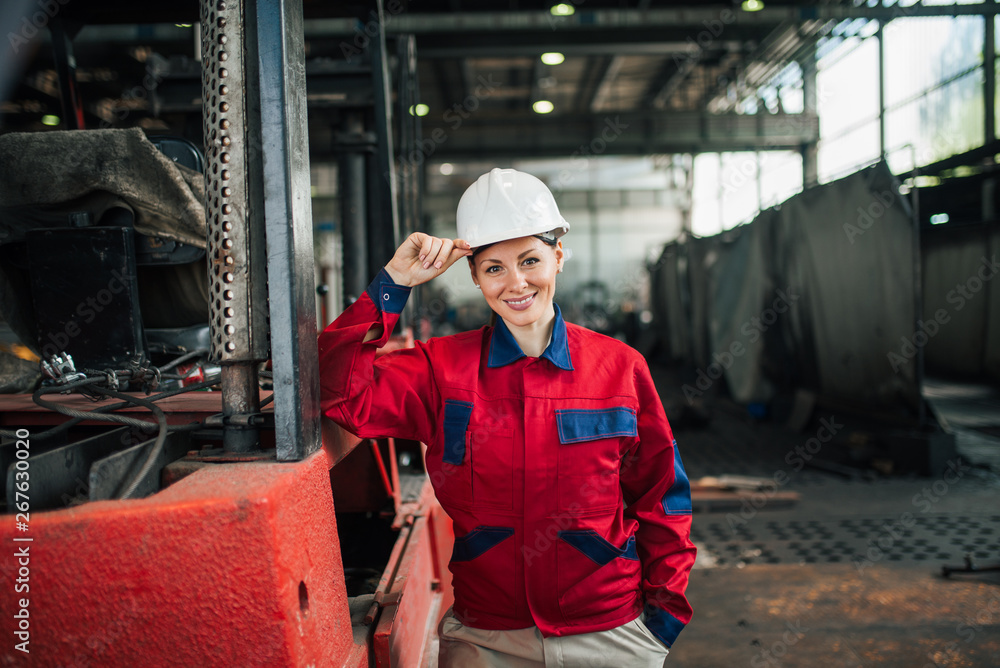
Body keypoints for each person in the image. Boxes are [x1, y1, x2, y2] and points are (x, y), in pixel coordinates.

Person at [319, 168, 695, 667]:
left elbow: (663, 498)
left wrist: (662, 620)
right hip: (487, 639)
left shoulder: (620, 368)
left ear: (558, 258)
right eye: (493, 268)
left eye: (530, 260)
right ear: (473, 275)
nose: (516, 283)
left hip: (610, 634)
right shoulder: (440, 369)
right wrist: (394, 284)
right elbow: (337, 389)